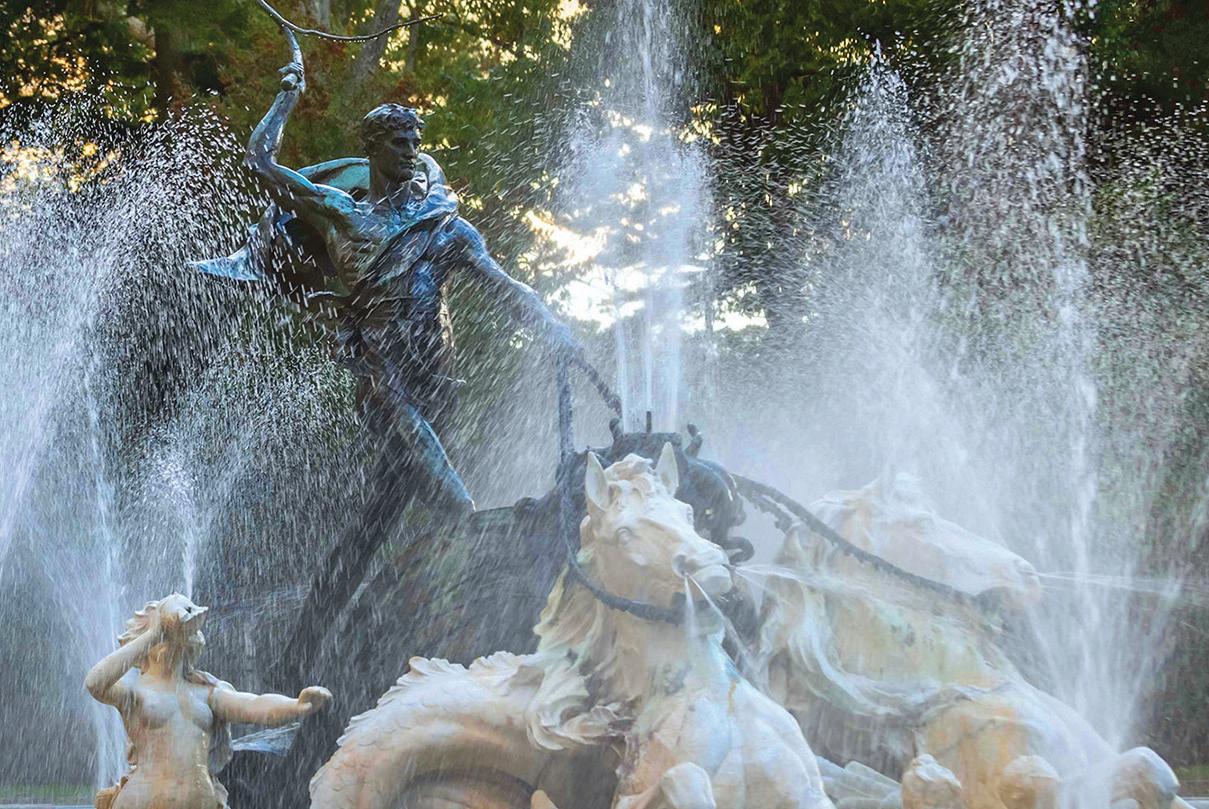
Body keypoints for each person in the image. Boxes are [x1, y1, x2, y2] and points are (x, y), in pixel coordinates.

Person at [84, 593, 332, 809]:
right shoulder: (134, 692)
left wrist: (295, 705)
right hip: (142, 800)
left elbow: (254, 705)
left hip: (200, 801)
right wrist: (154, 633)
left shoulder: (207, 692)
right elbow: (95, 683)